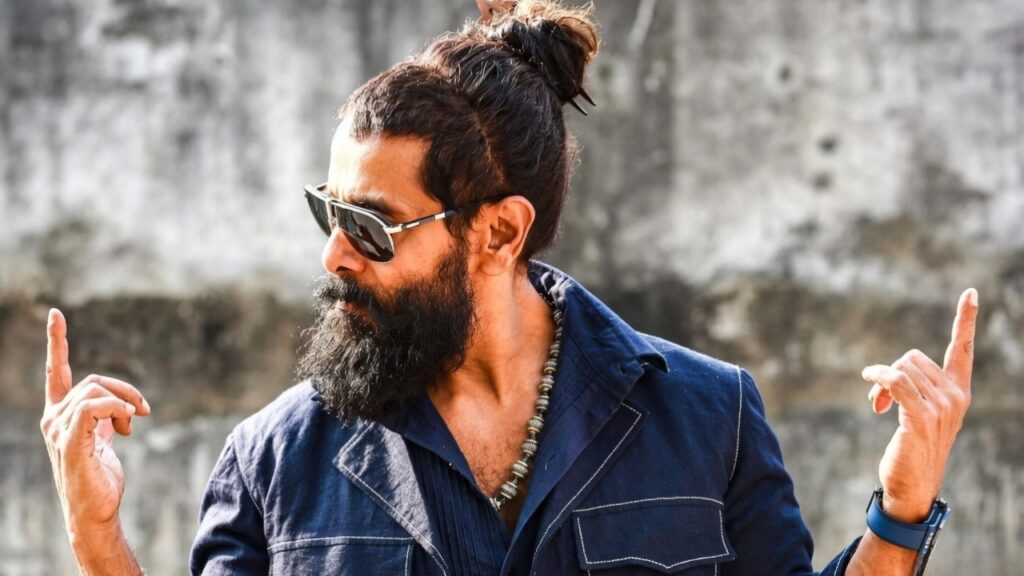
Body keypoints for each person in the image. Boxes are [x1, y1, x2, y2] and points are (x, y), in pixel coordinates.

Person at [40, 1, 979, 574]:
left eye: (371, 227)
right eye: (329, 213)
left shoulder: (708, 419)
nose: (334, 257)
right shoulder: (274, 462)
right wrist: (96, 538)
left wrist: (900, 511)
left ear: (498, 232)